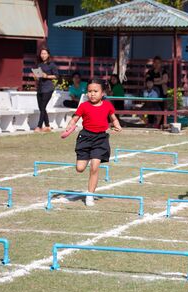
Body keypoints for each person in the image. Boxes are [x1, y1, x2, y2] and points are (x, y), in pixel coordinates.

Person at [63, 78, 122, 206]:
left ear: (102, 93)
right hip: (85, 138)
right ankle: (89, 156)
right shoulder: (84, 106)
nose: (92, 94)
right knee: (80, 168)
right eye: (90, 91)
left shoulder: (107, 105)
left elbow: (113, 118)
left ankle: (90, 195)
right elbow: (75, 118)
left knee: (95, 167)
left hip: (100, 139)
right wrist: (70, 125)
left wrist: (117, 125)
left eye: (96, 91)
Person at [33, 47, 58, 133]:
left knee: (43, 107)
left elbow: (56, 76)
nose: (43, 55)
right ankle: (47, 126)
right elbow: (37, 77)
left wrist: (46, 76)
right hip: (40, 88)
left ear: (48, 55)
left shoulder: (52, 65)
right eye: (41, 54)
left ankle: (39, 126)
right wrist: (35, 77)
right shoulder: (38, 65)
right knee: (41, 108)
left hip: (48, 88)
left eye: (44, 53)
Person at [146, 56, 169, 127]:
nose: (157, 64)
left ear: (161, 63)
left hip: (162, 92)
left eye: (158, 63)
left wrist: (154, 81)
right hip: (152, 93)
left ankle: (161, 124)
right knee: (151, 107)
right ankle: (150, 123)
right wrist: (159, 80)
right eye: (155, 62)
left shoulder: (164, 71)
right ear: (153, 63)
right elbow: (147, 80)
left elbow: (165, 80)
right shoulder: (150, 72)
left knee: (162, 108)